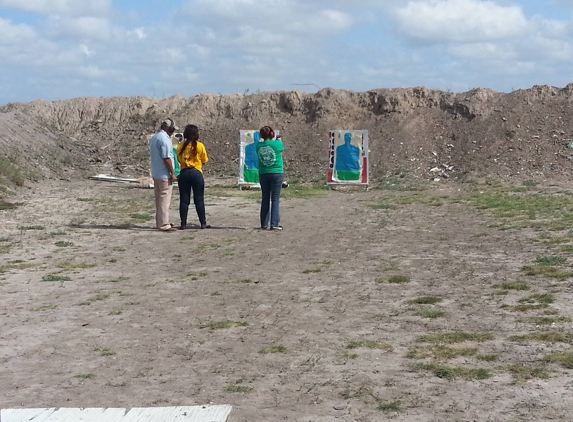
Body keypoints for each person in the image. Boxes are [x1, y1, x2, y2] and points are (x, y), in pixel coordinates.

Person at [176, 124, 210, 229]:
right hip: (196, 173)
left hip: (184, 173)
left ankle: (183, 224)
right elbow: (204, 160)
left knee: (184, 200)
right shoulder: (200, 146)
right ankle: (203, 223)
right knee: (199, 199)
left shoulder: (180, 146)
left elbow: (179, 159)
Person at [149, 118, 178, 232]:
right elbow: (166, 158)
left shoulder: (154, 138)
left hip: (156, 173)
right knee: (164, 200)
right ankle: (164, 224)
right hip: (164, 174)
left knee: (159, 200)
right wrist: (173, 173)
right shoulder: (165, 140)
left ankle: (160, 222)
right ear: (168, 128)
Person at [256, 125, 284, 230]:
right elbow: (281, 147)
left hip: (263, 173)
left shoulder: (258, 145)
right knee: (275, 199)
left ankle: (264, 224)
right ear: (272, 134)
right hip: (276, 173)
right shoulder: (277, 144)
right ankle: (274, 224)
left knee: (265, 198)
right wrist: (278, 139)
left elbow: (262, 142)